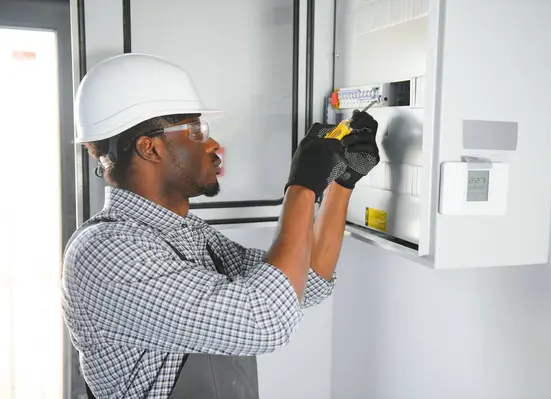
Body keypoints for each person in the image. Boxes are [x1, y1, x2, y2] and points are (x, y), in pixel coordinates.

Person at [61, 53, 379, 399]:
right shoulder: (106, 252)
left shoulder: (186, 234)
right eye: (196, 131)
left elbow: (308, 282)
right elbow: (268, 320)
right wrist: (302, 186)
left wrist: (341, 181)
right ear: (149, 148)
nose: (213, 145)